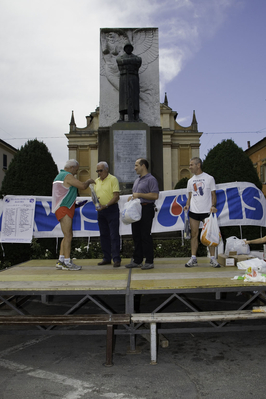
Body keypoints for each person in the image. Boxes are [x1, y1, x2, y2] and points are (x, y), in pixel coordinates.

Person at [52, 159, 95, 271]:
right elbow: (82, 186)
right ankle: (67, 262)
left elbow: (62, 194)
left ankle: (61, 261)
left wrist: (74, 204)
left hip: (63, 207)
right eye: (76, 170)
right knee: (68, 236)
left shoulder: (59, 176)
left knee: (66, 236)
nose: (76, 173)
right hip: (64, 208)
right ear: (71, 168)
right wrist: (89, 181)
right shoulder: (67, 176)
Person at [184, 157, 220, 268]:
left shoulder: (209, 178)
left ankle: (213, 258)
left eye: (191, 165)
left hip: (207, 211)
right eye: (189, 165)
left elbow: (213, 195)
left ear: (198, 165)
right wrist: (187, 205)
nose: (189, 167)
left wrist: (213, 206)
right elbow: (189, 196)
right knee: (194, 235)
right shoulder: (190, 181)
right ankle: (193, 258)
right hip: (194, 211)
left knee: (210, 234)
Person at [125, 159, 159, 270]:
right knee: (136, 235)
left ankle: (149, 261)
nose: (135, 168)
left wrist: (140, 194)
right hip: (137, 209)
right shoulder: (137, 180)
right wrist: (132, 197)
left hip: (146, 209)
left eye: (136, 165)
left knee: (145, 235)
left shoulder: (151, 179)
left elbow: (155, 196)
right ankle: (137, 260)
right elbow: (136, 195)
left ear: (143, 166)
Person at [94, 162, 121, 268]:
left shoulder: (113, 179)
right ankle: (106, 257)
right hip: (101, 210)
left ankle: (116, 258)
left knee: (114, 235)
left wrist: (105, 205)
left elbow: (116, 196)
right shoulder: (96, 181)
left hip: (111, 209)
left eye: (100, 170)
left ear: (106, 170)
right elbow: (94, 195)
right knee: (103, 235)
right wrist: (96, 203)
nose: (99, 173)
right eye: (97, 171)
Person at [116, 42, 142, 122]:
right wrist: (131, 62)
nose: (128, 49)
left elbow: (139, 61)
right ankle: (122, 116)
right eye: (127, 48)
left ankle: (136, 116)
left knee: (135, 97)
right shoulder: (120, 58)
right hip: (124, 78)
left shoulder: (137, 58)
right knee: (123, 98)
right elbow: (119, 61)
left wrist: (126, 62)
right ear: (125, 49)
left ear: (131, 49)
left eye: (129, 47)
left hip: (133, 78)